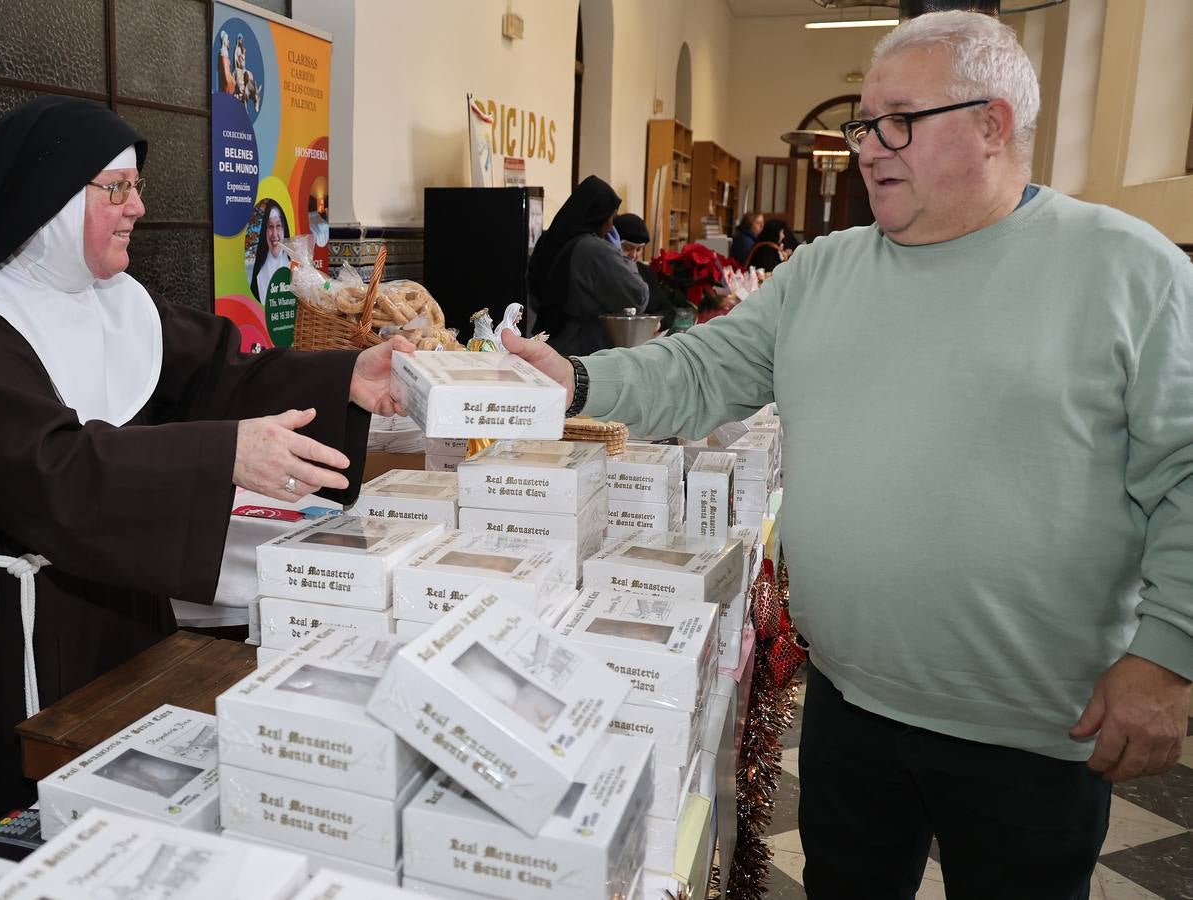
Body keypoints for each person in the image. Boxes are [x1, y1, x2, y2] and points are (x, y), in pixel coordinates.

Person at [504, 12, 1192, 898]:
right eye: (862, 124)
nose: (868, 148)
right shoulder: (823, 271)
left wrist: (1167, 655)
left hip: (1035, 727)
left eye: (898, 120)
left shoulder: (1126, 270)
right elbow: (702, 368)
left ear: (992, 125)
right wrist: (573, 381)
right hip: (851, 705)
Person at [0, 97, 413, 853]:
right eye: (117, 189)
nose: (140, 207)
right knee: (2, 830)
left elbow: (221, 376)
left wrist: (346, 376)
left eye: (135, 187)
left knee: (126, 823)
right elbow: (52, 473)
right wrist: (220, 453)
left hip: (112, 604)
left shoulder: (117, 303)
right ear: (53, 204)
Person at [527, 175, 647, 355]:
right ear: (600, 216)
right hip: (585, 347)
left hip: (549, 340)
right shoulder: (595, 250)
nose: (612, 225)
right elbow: (637, 297)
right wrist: (623, 259)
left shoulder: (551, 237)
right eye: (611, 217)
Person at [613, 213, 675, 333]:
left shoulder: (646, 272)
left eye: (638, 249)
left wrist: (656, 323)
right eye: (627, 248)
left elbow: (668, 309)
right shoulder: (607, 273)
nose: (634, 255)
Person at [250, 199, 291, 301]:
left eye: (278, 226)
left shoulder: (294, 267)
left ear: (284, 230)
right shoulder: (259, 275)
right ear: (265, 230)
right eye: (270, 227)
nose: (274, 234)